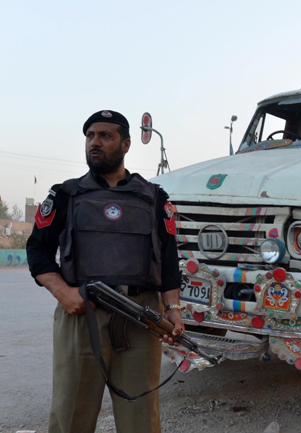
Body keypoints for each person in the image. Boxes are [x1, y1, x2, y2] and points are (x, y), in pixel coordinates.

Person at [27, 110, 184, 432]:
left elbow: (168, 259)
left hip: (141, 316)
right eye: (90, 136)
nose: (94, 143)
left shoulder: (155, 199)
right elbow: (37, 251)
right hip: (82, 312)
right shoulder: (66, 195)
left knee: (140, 415)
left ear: (126, 144)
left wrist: (173, 309)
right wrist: (64, 293)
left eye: (105, 136)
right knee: (72, 412)